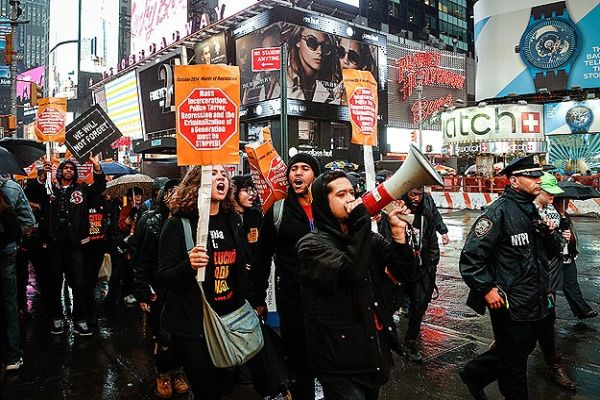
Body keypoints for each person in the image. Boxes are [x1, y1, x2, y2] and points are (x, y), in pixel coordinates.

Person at [297, 170, 415, 400]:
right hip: (338, 359)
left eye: (352, 192)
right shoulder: (310, 246)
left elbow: (406, 273)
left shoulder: (367, 239)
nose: (351, 199)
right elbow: (351, 271)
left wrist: (399, 236)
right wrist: (361, 222)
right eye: (341, 194)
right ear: (323, 202)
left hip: (371, 351)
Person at [459, 155, 564, 400]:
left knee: (519, 351)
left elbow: (551, 251)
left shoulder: (532, 209)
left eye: (539, 175)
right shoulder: (498, 212)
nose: (539, 180)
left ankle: (474, 374)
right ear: (514, 181)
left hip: (535, 299)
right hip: (510, 304)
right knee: (515, 365)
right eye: (533, 176)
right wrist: (486, 289)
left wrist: (549, 234)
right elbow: (471, 257)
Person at [157, 165, 254, 399]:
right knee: (206, 390)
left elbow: (240, 267)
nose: (221, 177)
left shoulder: (233, 220)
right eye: (213, 173)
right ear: (196, 183)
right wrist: (187, 265)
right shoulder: (179, 224)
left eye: (224, 175)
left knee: (223, 386)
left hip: (228, 319)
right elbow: (163, 276)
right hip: (193, 326)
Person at [253, 153, 321, 400]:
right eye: (293, 169)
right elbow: (262, 258)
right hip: (293, 301)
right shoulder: (278, 212)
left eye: (305, 168)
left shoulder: (330, 208)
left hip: (328, 300)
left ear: (316, 175)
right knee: (298, 361)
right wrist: (258, 299)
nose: (298, 173)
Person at [34, 156, 106, 336]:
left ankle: (80, 319)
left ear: (75, 173)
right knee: (54, 283)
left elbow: (99, 187)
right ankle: (57, 318)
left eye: (72, 169)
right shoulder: (51, 189)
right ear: (60, 172)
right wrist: (43, 176)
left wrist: (96, 167)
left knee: (79, 284)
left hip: (76, 246)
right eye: (65, 168)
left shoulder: (81, 190)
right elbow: (33, 193)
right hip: (54, 245)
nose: (68, 171)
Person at [131, 179, 189, 398]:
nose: (174, 196)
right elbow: (140, 260)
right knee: (163, 334)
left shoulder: (188, 220)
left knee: (181, 333)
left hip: (181, 288)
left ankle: (178, 371)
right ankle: (163, 372)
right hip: (158, 288)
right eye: (170, 192)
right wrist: (143, 291)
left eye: (179, 192)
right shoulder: (151, 219)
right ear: (163, 195)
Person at [533, 173, 575, 391]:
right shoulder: (525, 210)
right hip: (531, 280)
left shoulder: (552, 210)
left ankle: (553, 364)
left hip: (550, 276)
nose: (553, 197)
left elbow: (555, 244)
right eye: (550, 192)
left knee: (548, 320)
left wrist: (562, 236)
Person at [398, 187, 440, 362]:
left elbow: (432, 242)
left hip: (420, 270)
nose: (416, 198)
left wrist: (431, 266)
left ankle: (410, 341)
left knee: (419, 305)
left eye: (420, 195)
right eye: (412, 194)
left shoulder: (426, 215)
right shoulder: (395, 214)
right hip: (398, 271)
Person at [553, 198, 597, 320]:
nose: (566, 204)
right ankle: (548, 315)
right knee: (550, 288)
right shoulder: (549, 215)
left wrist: (573, 246)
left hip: (568, 256)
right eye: (563, 202)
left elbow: (573, 234)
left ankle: (582, 310)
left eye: (567, 202)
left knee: (572, 284)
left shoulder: (565, 215)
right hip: (555, 258)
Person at [0, 186, 25, 372]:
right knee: (9, 303)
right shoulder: (7, 192)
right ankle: (12, 356)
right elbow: (18, 228)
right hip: (6, 251)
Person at [285, 26, 337, 102]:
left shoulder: (327, 85)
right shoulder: (282, 79)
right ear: (298, 41)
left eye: (325, 46)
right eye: (312, 42)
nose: (320, 51)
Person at [231, 175, 263, 261]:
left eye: (252, 189)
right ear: (234, 192)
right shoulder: (227, 216)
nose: (252, 194)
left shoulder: (256, 214)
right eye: (246, 190)